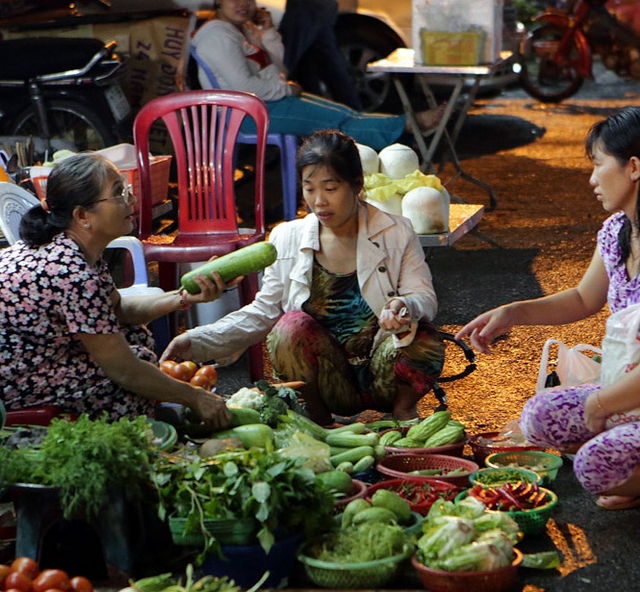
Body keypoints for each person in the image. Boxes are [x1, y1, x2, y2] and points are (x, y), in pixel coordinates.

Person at [455, 107, 640, 536]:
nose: (593, 179)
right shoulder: (618, 230)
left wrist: (601, 405)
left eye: (598, 166)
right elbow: (583, 298)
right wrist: (513, 313)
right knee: (540, 416)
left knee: (595, 466)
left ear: (633, 168)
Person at [161, 130, 445, 424]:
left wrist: (404, 306)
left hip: (383, 371)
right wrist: (196, 341)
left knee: (422, 336)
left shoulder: (396, 231)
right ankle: (319, 421)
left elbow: (423, 296)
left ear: (357, 185)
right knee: (289, 327)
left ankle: (404, 411)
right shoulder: (287, 237)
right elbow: (263, 313)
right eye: (309, 189)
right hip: (324, 380)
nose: (319, 201)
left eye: (331, 188)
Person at [0, 153, 232, 429]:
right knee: (132, 366)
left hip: (22, 358)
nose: (131, 200)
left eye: (126, 190)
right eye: (118, 194)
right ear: (82, 215)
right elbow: (122, 370)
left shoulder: (76, 250)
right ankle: (124, 431)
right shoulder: (69, 272)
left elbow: (117, 311)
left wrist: (181, 297)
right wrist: (194, 397)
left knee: (134, 337)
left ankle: (143, 416)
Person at [192, 0, 443, 152]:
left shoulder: (242, 30)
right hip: (246, 114)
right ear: (218, 3)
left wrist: (267, 32)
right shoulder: (218, 35)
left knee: (344, 114)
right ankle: (408, 127)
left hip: (266, 103)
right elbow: (246, 88)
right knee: (338, 124)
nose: (243, 4)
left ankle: (404, 127)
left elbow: (280, 68)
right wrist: (287, 90)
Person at [276, 0, 363, 110]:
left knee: (282, 62)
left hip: (306, 6)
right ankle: (352, 110)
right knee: (320, 63)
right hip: (320, 5)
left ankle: (270, 109)